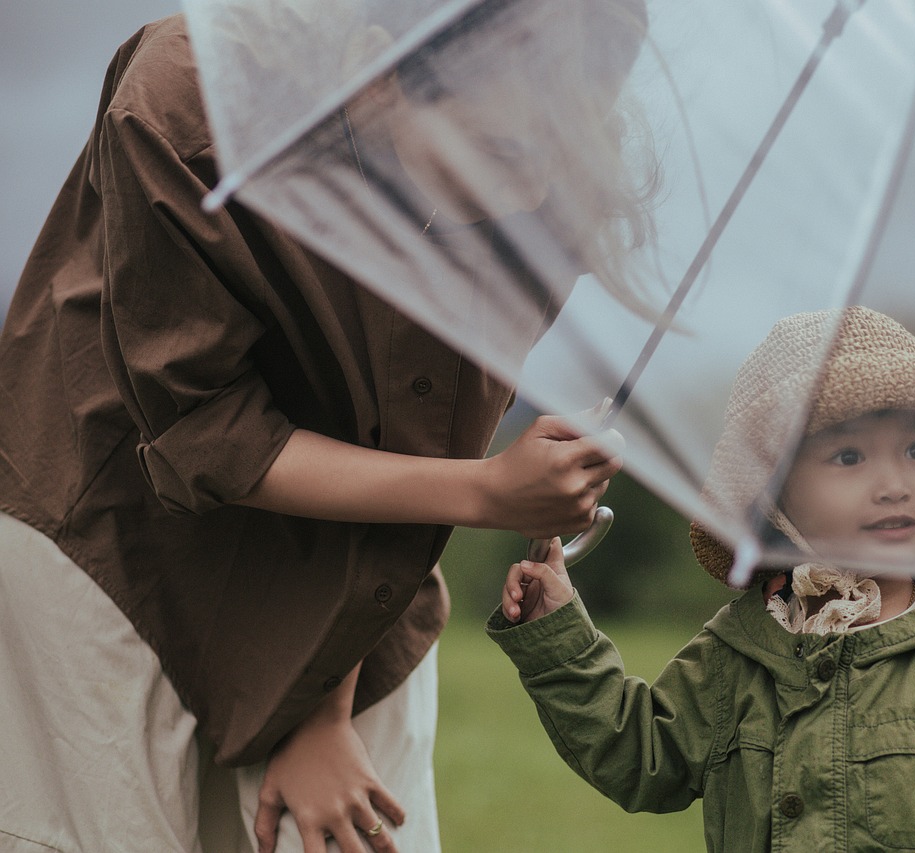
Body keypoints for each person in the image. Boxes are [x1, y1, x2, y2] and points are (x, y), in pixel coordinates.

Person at [0, 1, 649, 851]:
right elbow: (202, 427)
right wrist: (492, 491)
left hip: (365, 549)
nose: (526, 194)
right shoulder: (189, 101)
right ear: (377, 76)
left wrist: (323, 703)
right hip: (117, 525)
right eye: (498, 153)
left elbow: (423, 436)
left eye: (561, 152)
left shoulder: (553, 181)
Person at [488, 306, 915, 852]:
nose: (895, 483)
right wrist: (559, 633)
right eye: (849, 455)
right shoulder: (740, 649)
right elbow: (641, 754)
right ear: (774, 494)